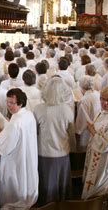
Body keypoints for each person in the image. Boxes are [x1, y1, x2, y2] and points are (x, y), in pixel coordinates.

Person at [33, 77, 75, 205]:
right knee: (61, 186)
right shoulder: (67, 110)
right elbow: (71, 134)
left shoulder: (38, 109)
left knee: (46, 185)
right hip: (62, 152)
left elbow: (35, 132)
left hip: (44, 152)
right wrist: (73, 148)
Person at [0, 88, 38, 208]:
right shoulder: (28, 114)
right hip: (27, 155)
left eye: (12, 103)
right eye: (7, 102)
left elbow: (4, 146)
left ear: (20, 103)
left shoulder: (16, 122)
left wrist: (0, 131)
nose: (9, 106)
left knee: (15, 188)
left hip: (15, 161)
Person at [82, 86, 108, 199]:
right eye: (102, 99)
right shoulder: (103, 112)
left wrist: (92, 131)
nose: (104, 102)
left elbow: (106, 144)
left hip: (104, 157)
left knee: (99, 188)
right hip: (96, 154)